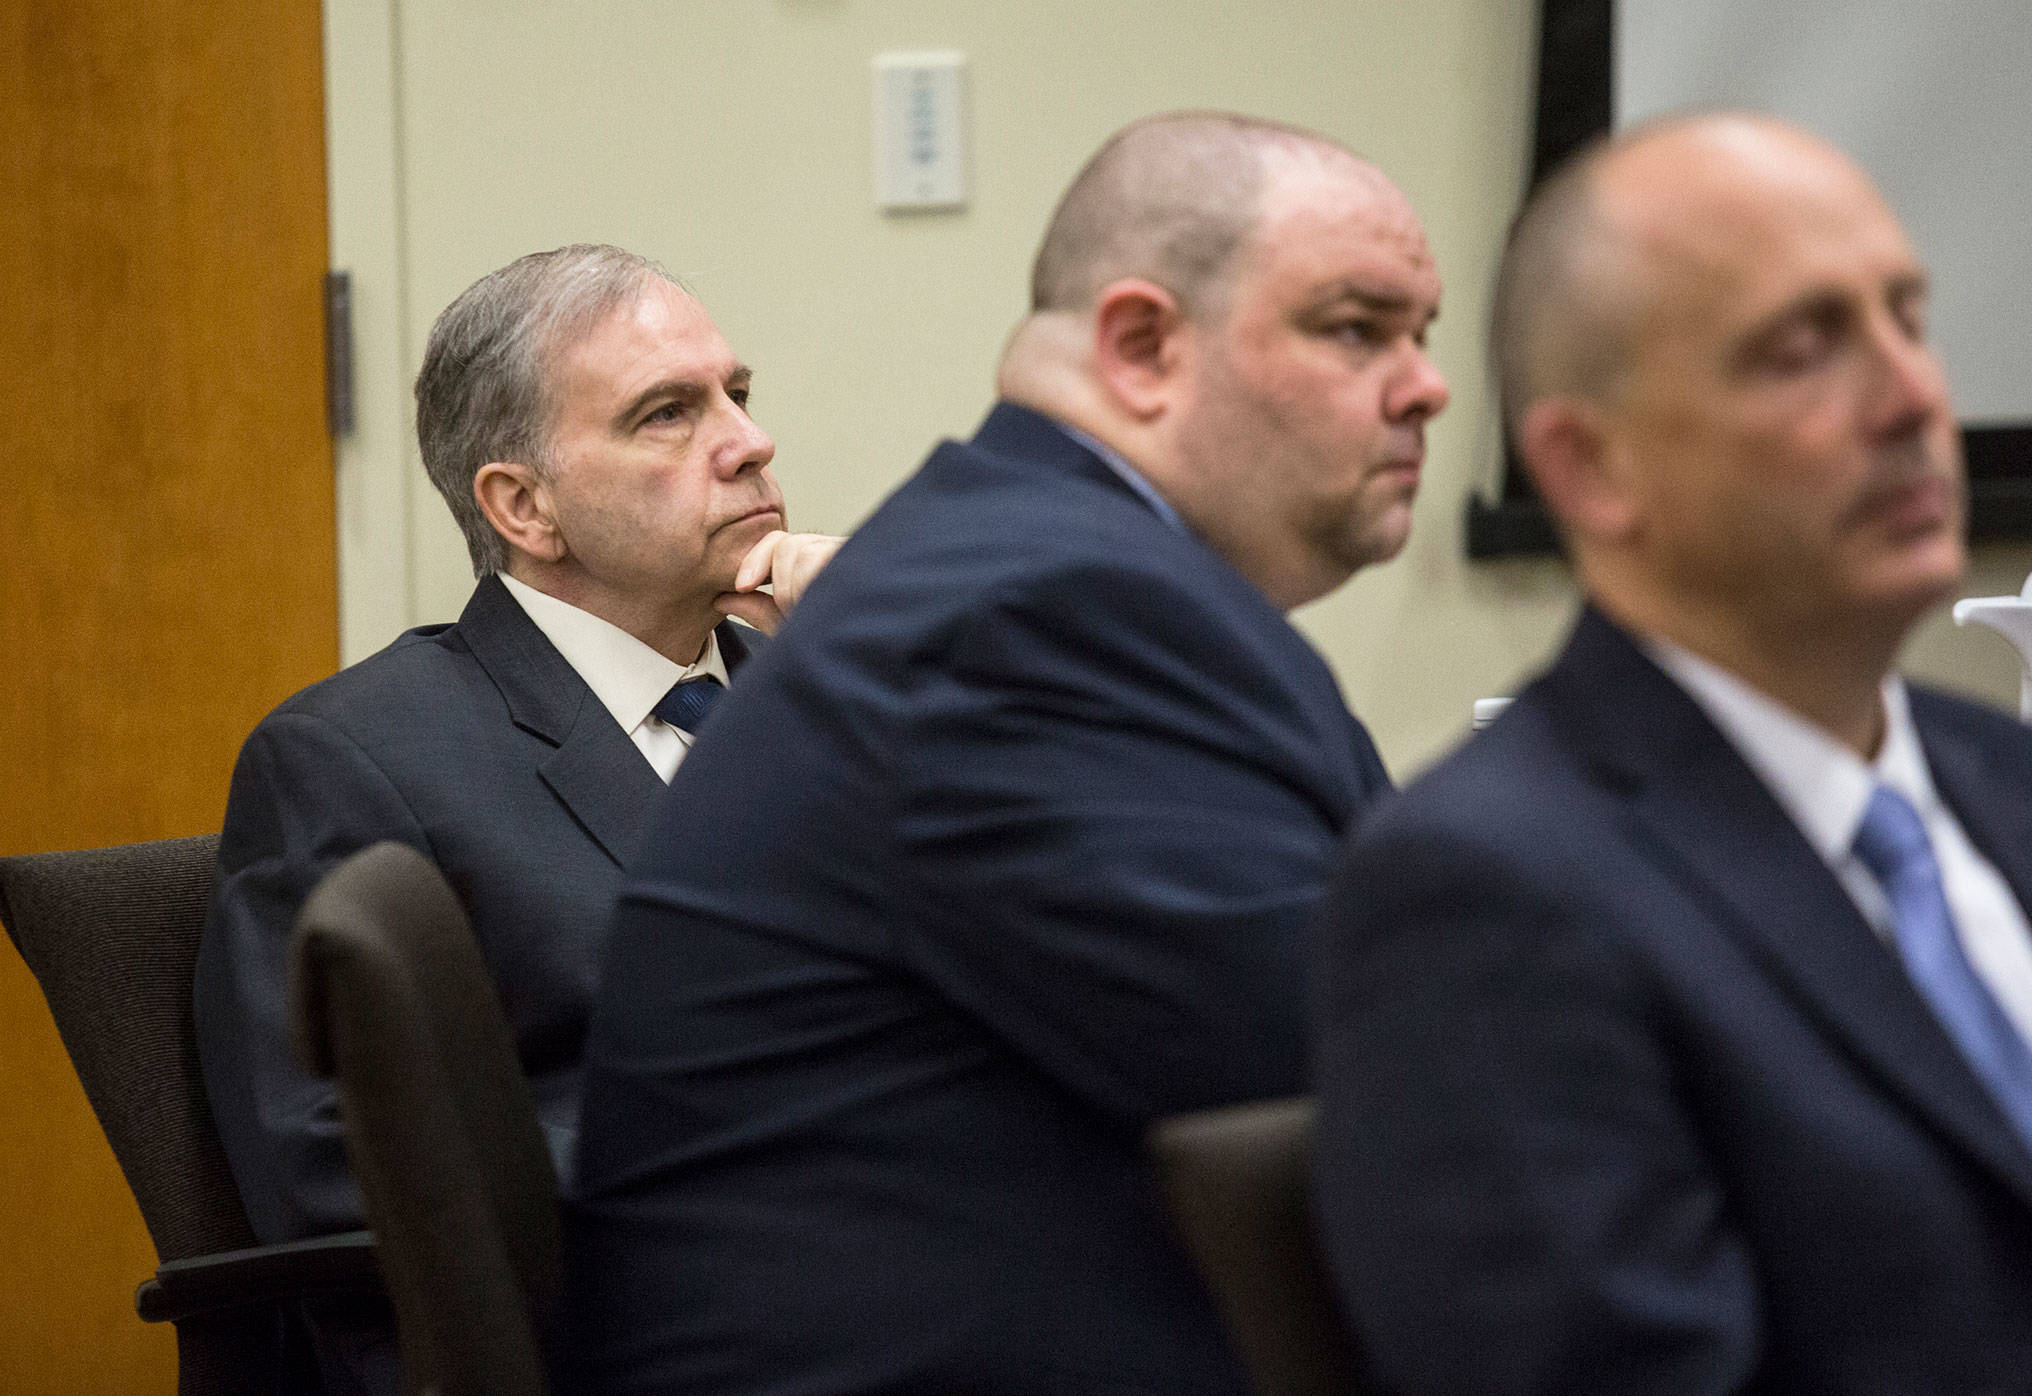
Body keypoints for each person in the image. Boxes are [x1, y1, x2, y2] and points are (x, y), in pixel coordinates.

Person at [559, 112, 1448, 1394]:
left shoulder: (1044, 566)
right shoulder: (1037, 615)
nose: (1424, 384)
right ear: (1142, 346)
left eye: (1420, 334)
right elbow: (1359, 1077)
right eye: (1356, 330)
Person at [1315, 113, 2032, 1394]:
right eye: (1801, 349)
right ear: (1590, 469)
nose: (1913, 396)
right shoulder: (1483, 893)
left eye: (1907, 321)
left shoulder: (2002, 776)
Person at [194, 244, 840, 1392]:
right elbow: (337, 1156)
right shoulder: (353, 759)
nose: (749, 441)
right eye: (666, 414)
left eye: (736, 396)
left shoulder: (831, 707)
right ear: (523, 505)